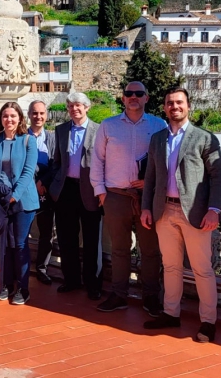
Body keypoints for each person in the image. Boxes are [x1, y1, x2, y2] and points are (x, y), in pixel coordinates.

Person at [141, 88, 221, 343]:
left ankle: (208, 322)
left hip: (196, 213)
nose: (174, 106)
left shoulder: (204, 138)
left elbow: (218, 177)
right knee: (170, 266)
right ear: (164, 108)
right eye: (169, 103)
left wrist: (214, 210)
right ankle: (170, 313)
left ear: (188, 106)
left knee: (202, 269)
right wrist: (146, 207)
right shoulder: (157, 139)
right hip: (163, 211)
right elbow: (151, 178)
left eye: (179, 102)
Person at [91, 82, 167, 315]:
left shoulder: (159, 125)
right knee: (119, 249)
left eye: (139, 93)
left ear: (147, 97)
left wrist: (150, 183)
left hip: (147, 198)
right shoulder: (108, 125)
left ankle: (151, 296)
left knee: (150, 250)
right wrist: (101, 192)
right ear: (122, 98)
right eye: (128, 94)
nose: (133, 97)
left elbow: (165, 162)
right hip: (116, 196)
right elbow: (97, 160)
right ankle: (119, 295)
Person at [48, 92, 103, 300]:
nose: (74, 109)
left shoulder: (98, 130)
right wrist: (54, 185)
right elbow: (57, 161)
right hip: (65, 190)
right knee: (66, 238)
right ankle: (71, 280)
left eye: (78, 106)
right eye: (70, 106)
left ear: (87, 107)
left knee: (92, 240)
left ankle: (93, 284)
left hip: (90, 190)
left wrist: (101, 190)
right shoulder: (61, 130)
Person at [0, 103, 40, 305]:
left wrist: (13, 195)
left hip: (22, 201)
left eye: (13, 116)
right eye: (5, 116)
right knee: (4, 245)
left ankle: (23, 288)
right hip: (0, 200)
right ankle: (6, 284)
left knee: (19, 243)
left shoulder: (28, 141)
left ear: (20, 118)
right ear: (0, 119)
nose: (9, 119)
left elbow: (28, 172)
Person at [27, 100, 57, 285]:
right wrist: (31, 184)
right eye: (34, 113)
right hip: (26, 190)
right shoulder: (22, 136)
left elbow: (57, 164)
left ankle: (42, 268)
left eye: (41, 113)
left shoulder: (53, 138)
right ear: (29, 115)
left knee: (47, 232)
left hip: (46, 190)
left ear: (46, 115)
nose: (38, 117)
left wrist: (43, 182)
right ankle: (20, 267)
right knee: (22, 231)